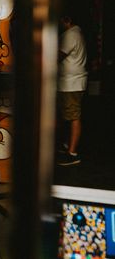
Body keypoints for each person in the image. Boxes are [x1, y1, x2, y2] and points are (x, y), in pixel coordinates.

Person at [56, 15, 88, 166]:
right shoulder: (76, 33)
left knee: (74, 116)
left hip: (72, 83)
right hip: (70, 82)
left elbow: (57, 56)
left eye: (61, 21)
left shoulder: (71, 34)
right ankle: (68, 146)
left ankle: (72, 154)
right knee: (68, 115)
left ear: (67, 20)